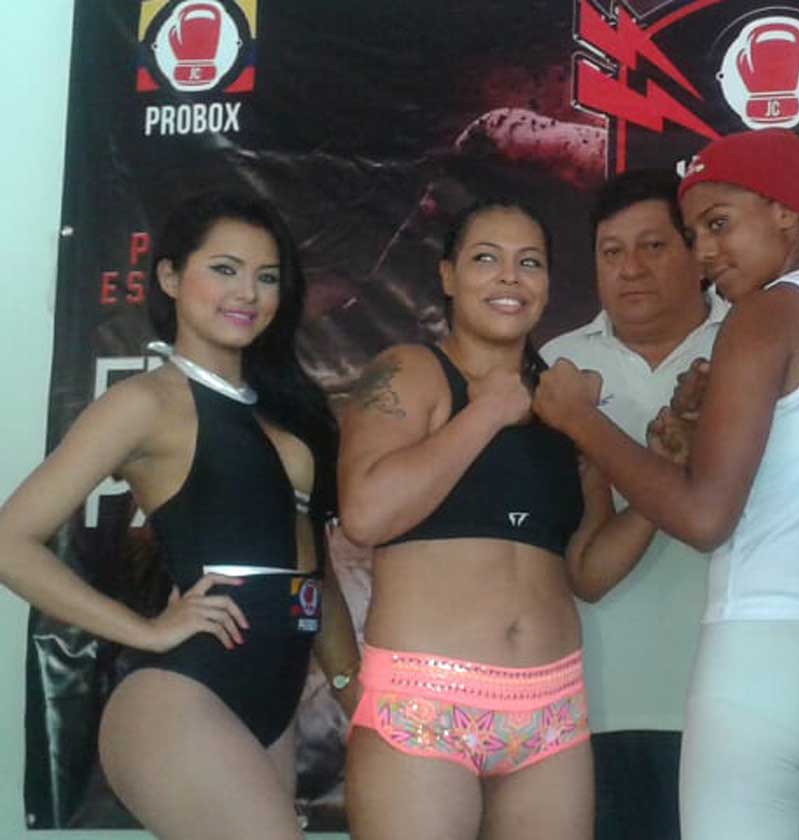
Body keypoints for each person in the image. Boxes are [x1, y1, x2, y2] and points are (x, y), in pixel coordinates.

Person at [533, 129, 799, 840]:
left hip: (767, 665)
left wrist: (581, 422)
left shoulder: (765, 315)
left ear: (785, 211)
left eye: (720, 224)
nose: (706, 253)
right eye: (696, 234)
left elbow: (704, 517)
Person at [0, 192, 359, 839]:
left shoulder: (285, 409)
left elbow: (315, 571)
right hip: (182, 699)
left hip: (271, 708)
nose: (246, 291)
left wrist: (349, 686)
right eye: (224, 268)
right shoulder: (147, 403)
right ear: (170, 276)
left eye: (266, 276)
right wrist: (144, 630)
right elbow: (10, 542)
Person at [338, 196, 653, 840]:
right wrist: (487, 410)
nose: (510, 276)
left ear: (548, 284)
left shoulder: (564, 404)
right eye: (486, 259)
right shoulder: (410, 371)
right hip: (425, 705)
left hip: (550, 713)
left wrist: (661, 476)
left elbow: (588, 573)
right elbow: (365, 515)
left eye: (529, 262)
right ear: (448, 276)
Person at [540, 168, 726, 840]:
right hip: (590, 705)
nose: (630, 270)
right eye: (611, 252)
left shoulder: (750, 347)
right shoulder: (557, 370)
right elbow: (565, 555)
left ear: (696, 254)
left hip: (731, 699)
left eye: (653, 247)